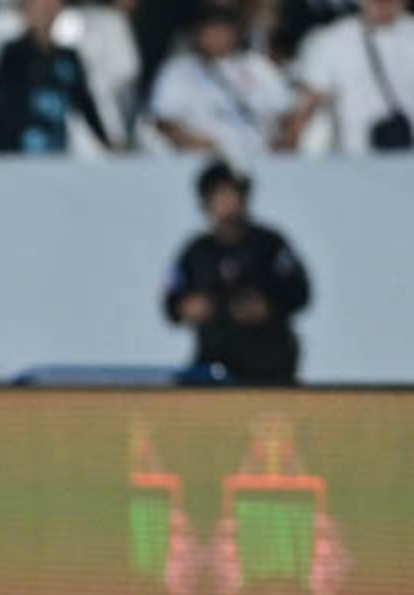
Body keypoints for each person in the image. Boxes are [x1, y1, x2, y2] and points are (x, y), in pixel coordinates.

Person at [163, 160, 311, 385]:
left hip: (269, 366)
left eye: (232, 194)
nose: (226, 202)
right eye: (218, 195)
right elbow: (172, 301)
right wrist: (188, 307)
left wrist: (267, 307)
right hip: (213, 364)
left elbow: (300, 292)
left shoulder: (270, 244)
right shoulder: (195, 251)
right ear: (205, 201)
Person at [148, 6, 295, 162]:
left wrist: (283, 145)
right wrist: (197, 144)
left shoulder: (258, 67)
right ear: (197, 34)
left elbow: (287, 113)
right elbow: (163, 121)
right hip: (199, 161)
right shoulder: (178, 71)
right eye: (210, 30)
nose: (216, 37)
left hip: (259, 158)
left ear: (235, 33)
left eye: (222, 30)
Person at [284, 0, 414, 154]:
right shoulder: (333, 39)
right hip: (356, 160)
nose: (384, 3)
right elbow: (309, 102)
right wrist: (288, 149)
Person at [0, 0, 111, 154]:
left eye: (49, 5)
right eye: (37, 6)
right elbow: (4, 107)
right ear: (26, 10)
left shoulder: (69, 58)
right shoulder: (11, 55)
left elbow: (84, 103)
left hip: (53, 152)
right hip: (14, 154)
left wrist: (106, 141)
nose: (43, 12)